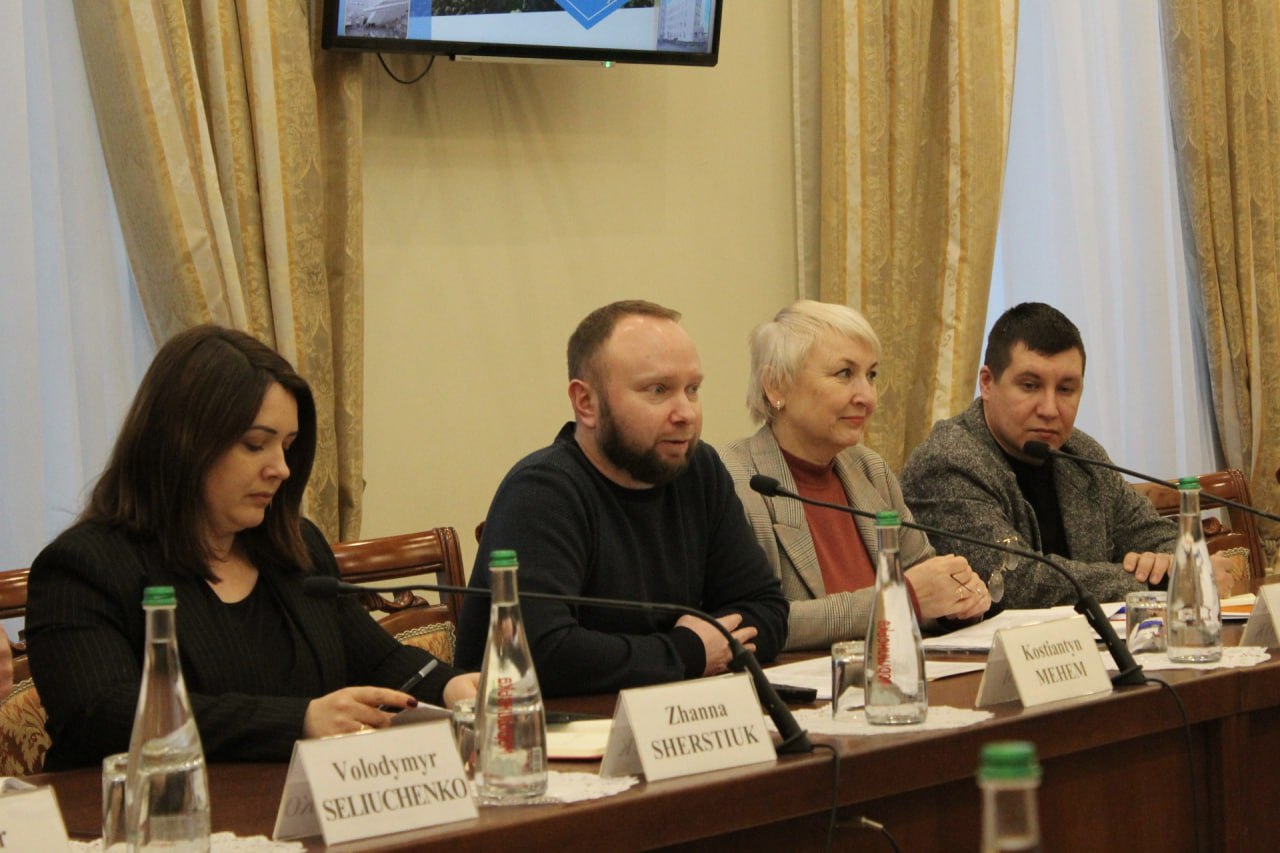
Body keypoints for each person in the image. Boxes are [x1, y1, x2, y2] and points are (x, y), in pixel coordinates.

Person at [26, 326, 477, 770]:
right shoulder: (83, 567)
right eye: (256, 444)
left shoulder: (296, 549)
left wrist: (452, 688)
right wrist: (298, 721)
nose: (281, 468)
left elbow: (379, 662)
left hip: (300, 806)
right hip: (152, 812)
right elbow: (103, 714)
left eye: (287, 446)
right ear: (182, 441)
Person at [454, 300, 789, 696]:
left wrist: (691, 650)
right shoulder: (542, 492)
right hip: (547, 727)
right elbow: (540, 655)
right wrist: (686, 651)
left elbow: (766, 609)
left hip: (677, 714)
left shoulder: (699, 470)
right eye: (658, 390)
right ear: (586, 403)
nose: (686, 413)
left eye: (693, 389)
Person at [899, 302, 1235, 609]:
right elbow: (1014, 583)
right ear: (987, 383)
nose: (1049, 409)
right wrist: (1166, 582)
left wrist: (1173, 563)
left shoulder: (1080, 454)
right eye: (1030, 386)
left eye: (1065, 389)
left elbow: (1156, 536)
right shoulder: (948, 461)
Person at [721, 301, 990, 651]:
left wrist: (956, 601)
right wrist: (898, 600)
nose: (867, 397)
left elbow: (924, 586)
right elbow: (754, 622)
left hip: (890, 673)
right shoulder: (735, 480)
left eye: (871, 376)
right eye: (844, 374)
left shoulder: (870, 470)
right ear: (776, 386)